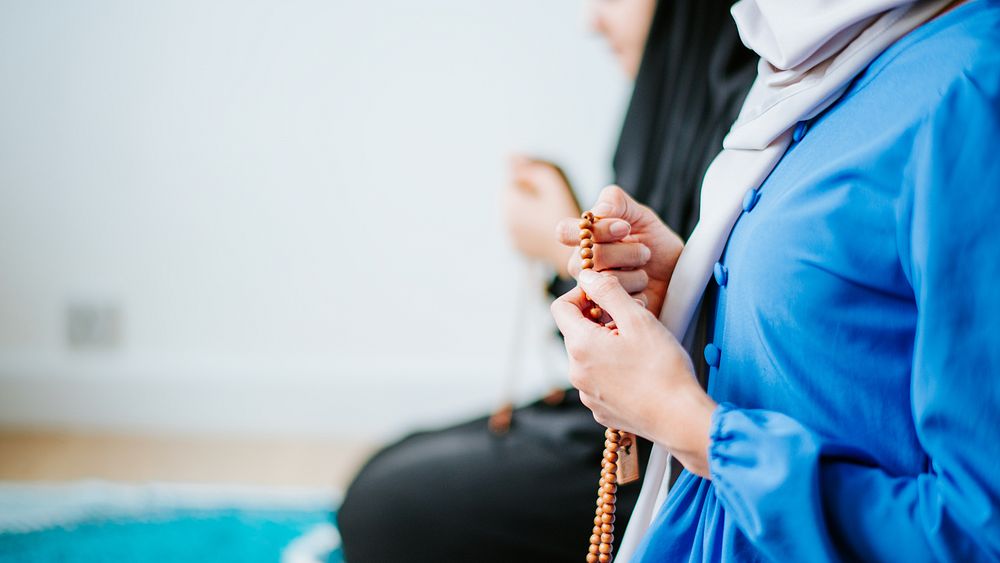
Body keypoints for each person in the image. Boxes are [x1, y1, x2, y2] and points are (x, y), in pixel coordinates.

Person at [550, 0, 1000, 561]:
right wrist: (695, 294)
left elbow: (980, 535)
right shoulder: (818, 66)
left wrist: (688, 424)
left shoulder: (976, 84)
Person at [336, 1, 756, 561]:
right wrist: (588, 243)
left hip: (680, 451)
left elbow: (713, 343)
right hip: (621, 427)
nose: (592, 20)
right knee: (390, 464)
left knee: (384, 502)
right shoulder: (668, 105)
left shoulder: (761, 121)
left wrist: (568, 253)